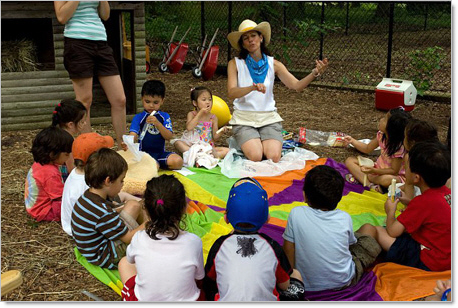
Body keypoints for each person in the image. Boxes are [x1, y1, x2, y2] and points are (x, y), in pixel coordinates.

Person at [226, 19, 328, 163]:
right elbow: (231, 93)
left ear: (261, 38)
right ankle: (243, 141)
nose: (250, 40)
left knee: (273, 158)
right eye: (245, 38)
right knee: (255, 156)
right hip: (244, 119)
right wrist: (251, 88)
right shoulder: (235, 63)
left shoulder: (274, 64)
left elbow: (296, 86)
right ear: (242, 44)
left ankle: (255, 141)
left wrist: (315, 73)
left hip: (268, 118)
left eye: (253, 35)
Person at [203, 177, 305, 301]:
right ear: (267, 218)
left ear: (226, 218)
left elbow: (210, 279)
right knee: (295, 275)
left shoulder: (219, 245)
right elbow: (284, 285)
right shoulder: (272, 247)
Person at [282, 165, 381, 292]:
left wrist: (292, 281)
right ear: (339, 198)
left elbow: (288, 249)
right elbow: (349, 245)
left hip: (302, 282)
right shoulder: (344, 218)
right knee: (369, 229)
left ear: (305, 195)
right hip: (343, 281)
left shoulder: (296, 213)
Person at [357, 141, 451, 271]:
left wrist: (390, 211)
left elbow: (393, 231)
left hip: (428, 260)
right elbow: (432, 213)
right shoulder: (448, 193)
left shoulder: (423, 202)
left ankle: (352, 259)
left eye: (406, 167)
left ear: (416, 178)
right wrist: (410, 202)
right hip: (447, 257)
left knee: (373, 229)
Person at [118, 175, 205, 301]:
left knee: (124, 263)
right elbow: (199, 278)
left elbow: (131, 261)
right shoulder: (194, 242)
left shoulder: (138, 239)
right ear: (184, 209)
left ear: (146, 210)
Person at [54, 1, 127, 149]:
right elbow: (62, 17)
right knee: (85, 101)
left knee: (120, 99)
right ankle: (89, 150)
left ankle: (124, 147)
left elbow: (105, 15)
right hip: (77, 42)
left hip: (101, 42)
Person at [71, 148, 146, 269]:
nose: (123, 184)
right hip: (107, 256)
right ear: (108, 181)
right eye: (121, 181)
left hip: (92, 251)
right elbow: (128, 238)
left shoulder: (88, 197)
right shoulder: (101, 211)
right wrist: (150, 222)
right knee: (135, 206)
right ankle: (154, 237)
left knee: (133, 205)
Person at [61, 132, 141, 237]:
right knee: (133, 206)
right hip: (93, 231)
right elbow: (100, 215)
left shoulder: (78, 174)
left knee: (128, 198)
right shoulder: (86, 186)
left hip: (89, 224)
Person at [344, 107, 412, 192]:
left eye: (385, 119)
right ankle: (371, 186)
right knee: (350, 161)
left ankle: (368, 179)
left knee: (387, 180)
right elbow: (367, 148)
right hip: (377, 168)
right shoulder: (381, 135)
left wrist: (373, 171)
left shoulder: (398, 148)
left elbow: (394, 171)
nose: (381, 119)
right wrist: (353, 141)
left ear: (391, 128)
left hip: (393, 176)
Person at [129, 80, 183, 170]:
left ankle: (155, 164)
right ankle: (151, 165)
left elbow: (169, 136)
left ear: (162, 101)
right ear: (142, 99)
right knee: (153, 166)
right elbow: (133, 135)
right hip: (143, 154)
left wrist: (158, 124)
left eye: (155, 102)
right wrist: (128, 142)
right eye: (147, 101)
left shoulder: (164, 116)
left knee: (178, 162)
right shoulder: (138, 117)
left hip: (160, 153)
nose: (151, 105)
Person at [24, 126, 74, 222]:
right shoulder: (50, 174)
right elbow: (62, 196)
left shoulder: (40, 163)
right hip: (43, 211)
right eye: (66, 154)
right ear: (52, 154)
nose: (68, 158)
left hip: (34, 207)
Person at [173, 86, 230, 159]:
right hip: (192, 146)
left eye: (210, 99)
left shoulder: (213, 118)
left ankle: (201, 156)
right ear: (195, 103)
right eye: (204, 100)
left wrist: (222, 131)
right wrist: (200, 113)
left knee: (228, 151)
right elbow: (189, 127)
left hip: (207, 147)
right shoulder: (192, 114)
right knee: (178, 143)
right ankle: (200, 155)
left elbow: (215, 137)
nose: (208, 102)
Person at [399, 119, 440, 205]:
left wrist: (408, 207)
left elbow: (409, 183)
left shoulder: (410, 157)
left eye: (405, 137)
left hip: (431, 199)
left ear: (412, 143)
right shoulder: (440, 155)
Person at [51, 98, 88, 179]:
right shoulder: (68, 141)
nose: (85, 124)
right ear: (70, 124)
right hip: (62, 179)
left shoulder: (56, 134)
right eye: (82, 122)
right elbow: (72, 169)